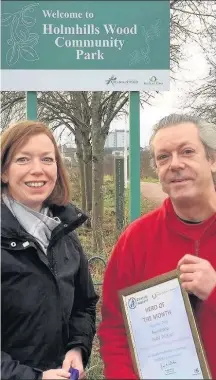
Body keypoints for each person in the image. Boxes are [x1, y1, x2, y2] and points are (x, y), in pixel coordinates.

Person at [98, 114, 216, 379]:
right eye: (163, 157)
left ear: (212, 160)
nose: (175, 164)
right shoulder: (136, 239)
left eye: (187, 151)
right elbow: (115, 329)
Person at [1, 121, 99, 380]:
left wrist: (77, 348)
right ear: (4, 172)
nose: (38, 170)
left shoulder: (64, 234)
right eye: (23, 159)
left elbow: (84, 304)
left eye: (47, 159)